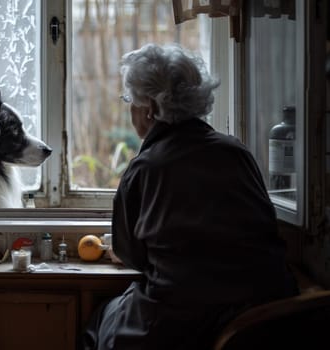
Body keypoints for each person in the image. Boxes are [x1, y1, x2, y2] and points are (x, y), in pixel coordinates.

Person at [82, 43, 298, 350]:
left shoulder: (146, 167)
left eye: (130, 100)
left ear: (150, 110)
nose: (130, 109)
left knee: (99, 323)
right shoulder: (237, 152)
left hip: (183, 320)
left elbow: (131, 255)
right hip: (261, 319)